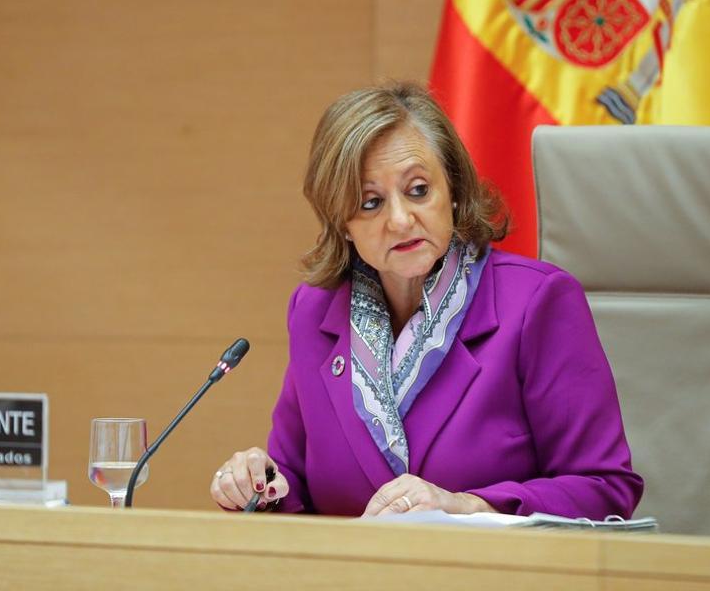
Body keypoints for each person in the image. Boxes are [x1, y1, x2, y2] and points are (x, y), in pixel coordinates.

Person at [210, 82, 642, 517]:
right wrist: (258, 486)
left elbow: (605, 488)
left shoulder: (536, 303)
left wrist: (467, 506)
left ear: (452, 190)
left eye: (418, 190)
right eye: (370, 202)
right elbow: (294, 481)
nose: (399, 220)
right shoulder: (314, 311)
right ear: (342, 222)